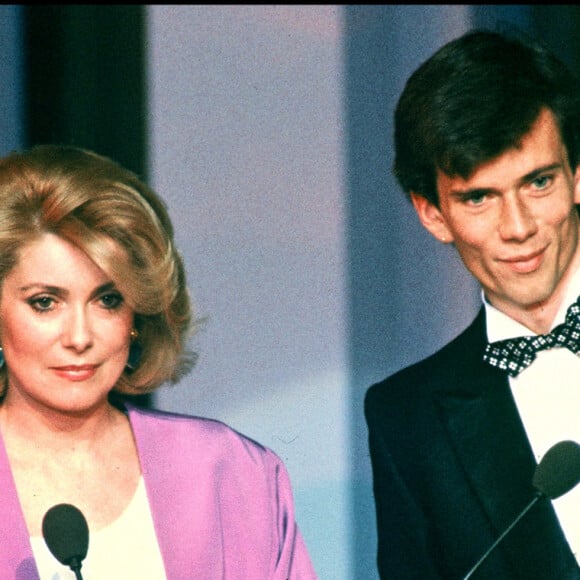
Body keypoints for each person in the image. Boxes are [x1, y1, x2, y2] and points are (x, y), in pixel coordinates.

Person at [0, 144, 317, 579]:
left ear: (137, 314)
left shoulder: (231, 472)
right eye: (44, 302)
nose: (79, 337)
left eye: (107, 300)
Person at [365, 29, 580, 579]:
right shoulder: (408, 421)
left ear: (577, 176)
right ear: (432, 214)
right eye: (479, 197)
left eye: (537, 182)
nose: (519, 228)